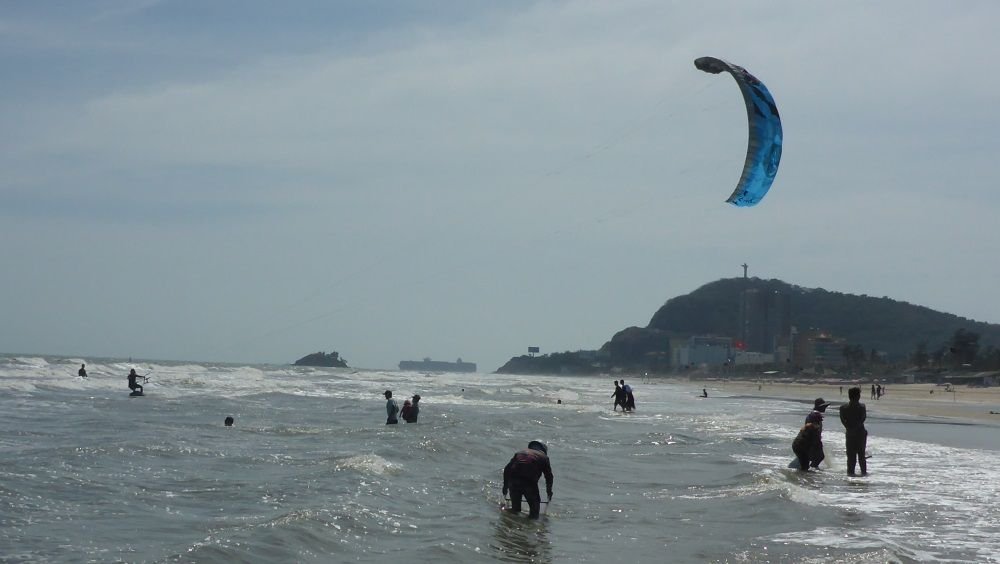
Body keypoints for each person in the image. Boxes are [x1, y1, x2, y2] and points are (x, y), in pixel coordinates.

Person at [502, 440, 554, 519]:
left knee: (515, 510)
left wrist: (505, 486)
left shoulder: (520, 453)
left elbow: (507, 469)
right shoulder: (544, 457)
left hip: (513, 481)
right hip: (529, 483)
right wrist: (549, 492)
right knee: (534, 513)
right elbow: (549, 476)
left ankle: (511, 526)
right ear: (543, 450)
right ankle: (528, 528)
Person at [839, 386, 868, 476]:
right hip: (860, 433)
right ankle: (864, 474)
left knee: (851, 456)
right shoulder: (862, 407)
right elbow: (862, 419)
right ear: (857, 396)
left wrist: (849, 428)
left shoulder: (843, 407)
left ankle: (850, 475)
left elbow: (843, 420)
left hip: (850, 433)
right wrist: (855, 428)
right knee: (861, 456)